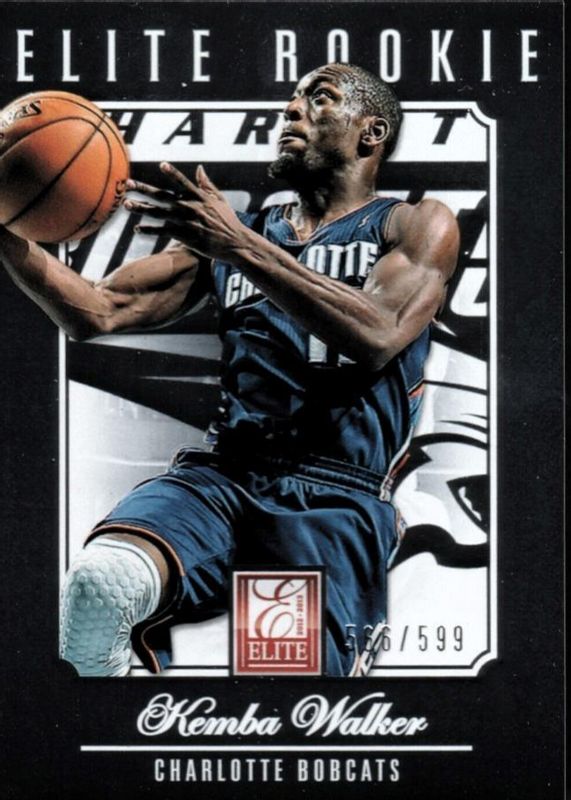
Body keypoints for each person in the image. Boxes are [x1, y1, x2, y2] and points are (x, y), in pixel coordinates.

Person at [0, 63, 459, 677]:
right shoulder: (239, 235)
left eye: (320, 98)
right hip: (224, 474)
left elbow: (378, 332)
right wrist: (6, 235)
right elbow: (99, 310)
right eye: (291, 99)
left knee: (284, 693)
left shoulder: (415, 223)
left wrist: (240, 247)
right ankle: (106, 725)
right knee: (101, 584)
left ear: (370, 133)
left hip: (329, 497)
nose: (292, 110)